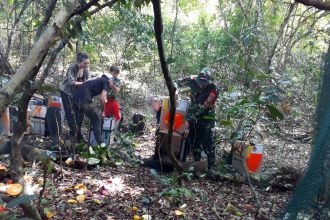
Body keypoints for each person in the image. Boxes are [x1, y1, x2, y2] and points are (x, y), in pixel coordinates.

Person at [176, 67, 219, 175]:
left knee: (209, 143)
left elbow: (203, 108)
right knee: (195, 142)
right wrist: (175, 90)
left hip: (207, 118)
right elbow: (176, 82)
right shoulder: (192, 79)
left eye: (204, 84)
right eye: (200, 82)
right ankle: (196, 169)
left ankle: (210, 170)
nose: (201, 85)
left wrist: (188, 121)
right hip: (193, 116)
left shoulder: (213, 89)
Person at [72, 74, 112, 145]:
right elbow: (103, 97)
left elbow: (100, 95)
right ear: (110, 79)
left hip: (75, 97)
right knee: (96, 119)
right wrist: (104, 110)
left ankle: (76, 139)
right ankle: (101, 143)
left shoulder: (97, 79)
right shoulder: (106, 81)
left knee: (78, 119)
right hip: (84, 98)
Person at [60, 52, 90, 143]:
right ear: (79, 62)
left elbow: (87, 82)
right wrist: (84, 84)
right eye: (85, 63)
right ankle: (73, 133)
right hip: (66, 91)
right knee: (70, 112)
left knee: (79, 112)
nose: (86, 65)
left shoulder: (85, 70)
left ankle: (78, 133)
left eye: (88, 63)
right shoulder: (72, 68)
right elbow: (71, 82)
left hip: (76, 93)